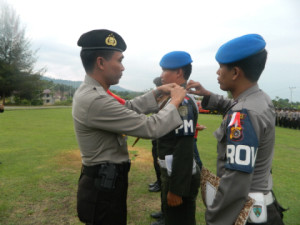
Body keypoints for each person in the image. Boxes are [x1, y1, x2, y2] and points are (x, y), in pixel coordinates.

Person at [72, 29, 187, 225]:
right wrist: (175, 102)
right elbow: (150, 127)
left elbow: (128, 108)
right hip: (103, 187)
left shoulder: (96, 94)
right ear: (100, 62)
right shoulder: (95, 99)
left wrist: (158, 92)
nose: (123, 67)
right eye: (119, 60)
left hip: (106, 181)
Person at [187, 34, 286, 225]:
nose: (217, 72)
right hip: (261, 204)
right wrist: (207, 95)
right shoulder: (260, 98)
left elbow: (235, 181)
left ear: (235, 73)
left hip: (246, 212)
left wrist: (214, 219)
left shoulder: (243, 113)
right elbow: (234, 106)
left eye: (221, 67)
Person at [156, 51, 201, 225]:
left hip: (179, 177)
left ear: (179, 73)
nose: (161, 76)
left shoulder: (182, 102)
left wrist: (177, 189)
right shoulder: (173, 98)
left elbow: (184, 146)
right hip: (172, 172)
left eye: (165, 70)